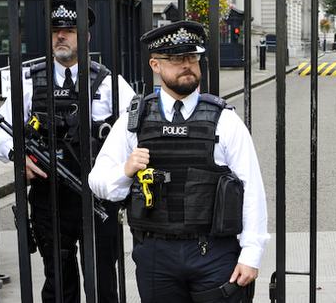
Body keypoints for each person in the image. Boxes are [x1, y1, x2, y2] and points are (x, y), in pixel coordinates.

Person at [89, 20, 269, 302]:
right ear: (155, 65)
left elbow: (252, 189)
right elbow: (98, 182)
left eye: (192, 57)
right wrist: (125, 171)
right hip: (155, 254)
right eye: (176, 58)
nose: (187, 64)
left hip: (214, 251)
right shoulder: (132, 122)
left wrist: (251, 254)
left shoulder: (225, 120)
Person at [0, 0, 135, 303]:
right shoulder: (29, 82)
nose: (61, 35)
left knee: (102, 286)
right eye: (56, 29)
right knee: (58, 286)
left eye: (70, 29)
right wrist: (18, 157)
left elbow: (136, 134)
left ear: (85, 36)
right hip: (49, 199)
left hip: (98, 200)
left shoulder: (110, 84)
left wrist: (121, 174)